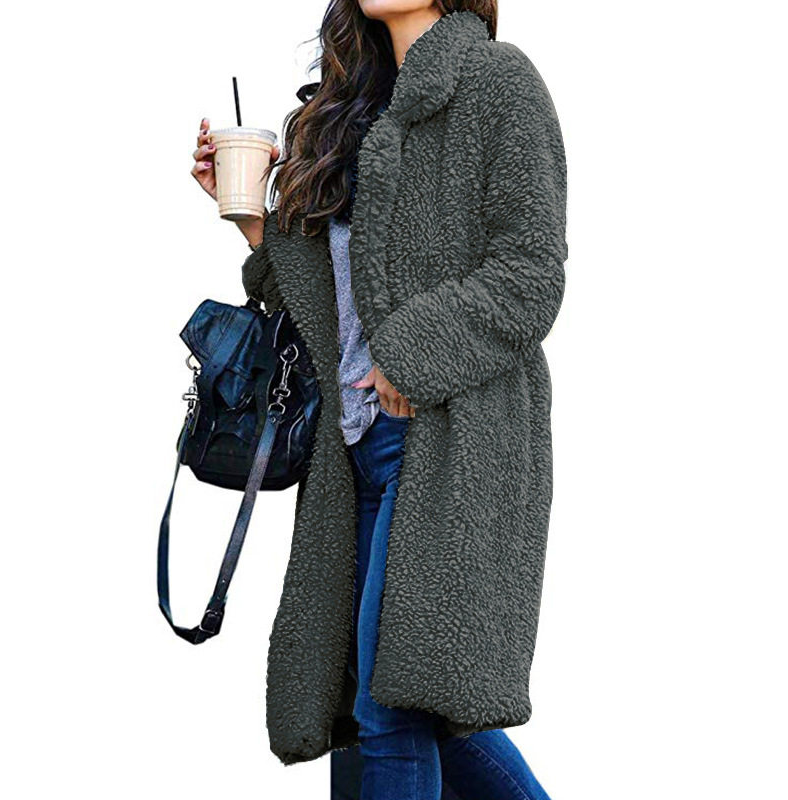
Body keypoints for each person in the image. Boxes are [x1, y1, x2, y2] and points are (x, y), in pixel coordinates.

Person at [191, 2, 567, 798]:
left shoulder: (497, 83)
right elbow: (327, 312)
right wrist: (256, 225)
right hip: (353, 448)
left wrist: (412, 355)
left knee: (391, 710)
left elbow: (531, 273)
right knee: (381, 711)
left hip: (449, 444)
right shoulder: (349, 112)